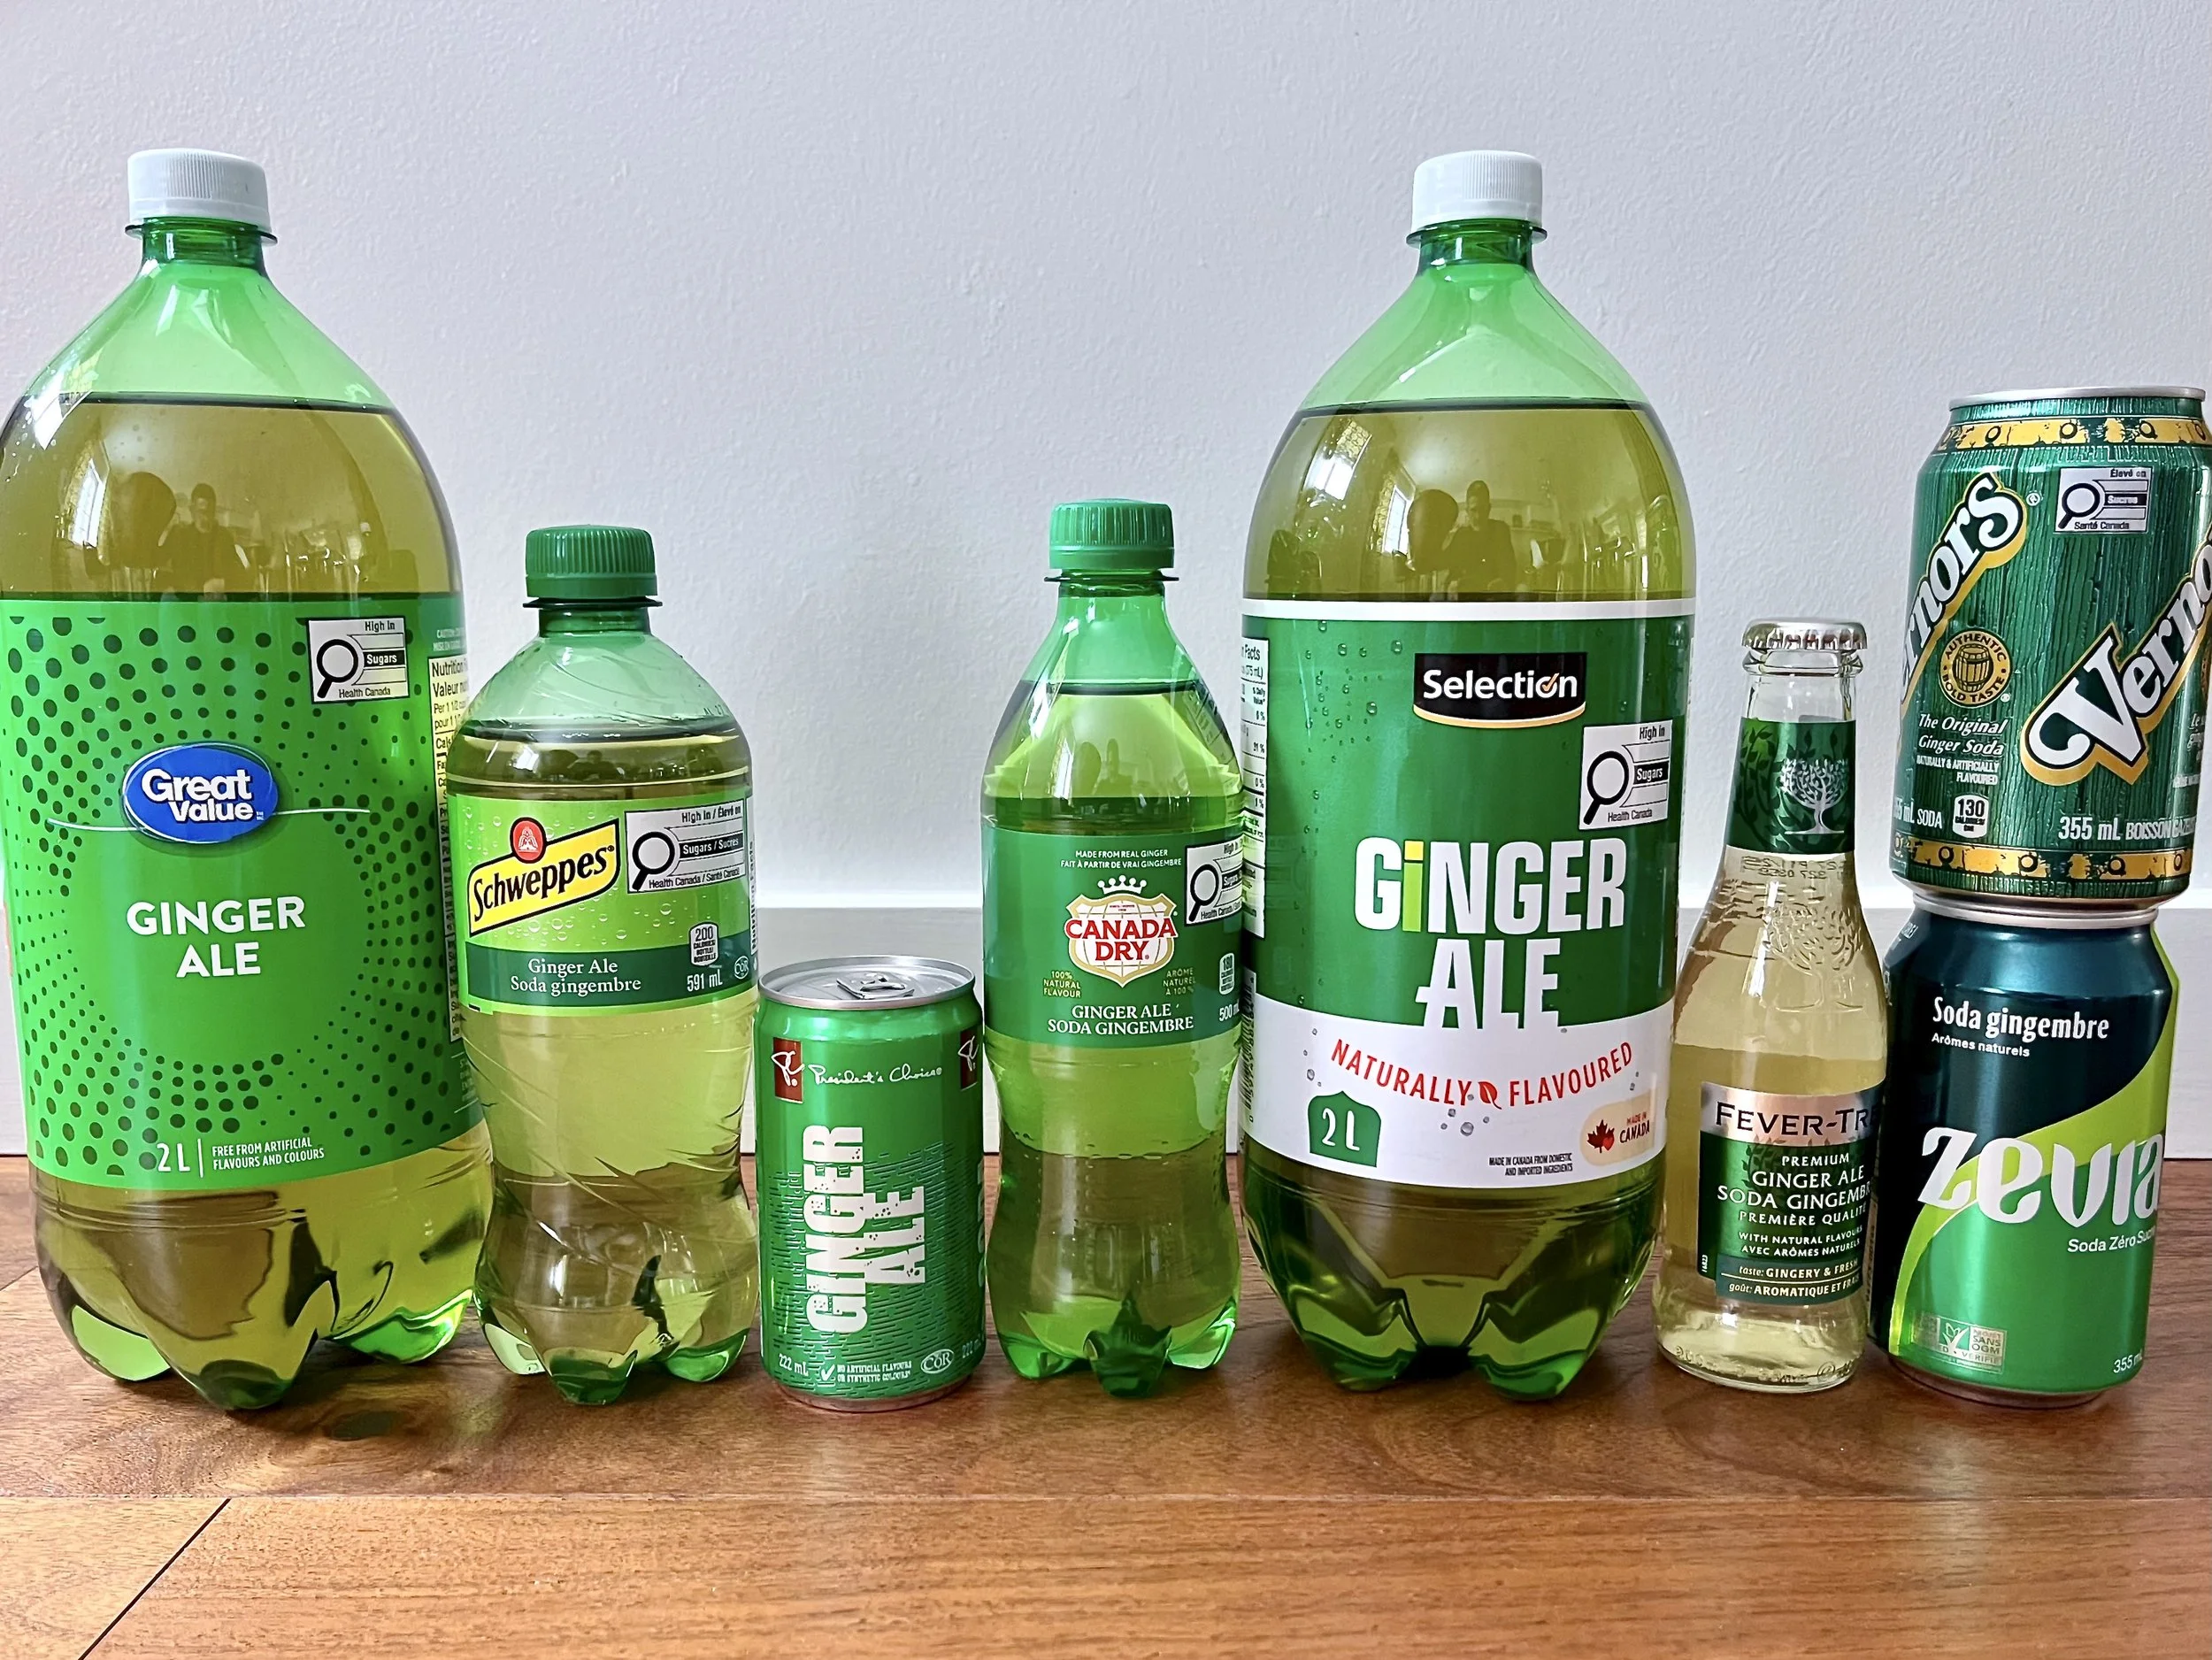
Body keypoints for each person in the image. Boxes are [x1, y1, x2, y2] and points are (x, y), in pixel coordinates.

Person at [158, 483, 251, 588]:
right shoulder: (179, 536)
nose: (206, 518)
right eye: (202, 512)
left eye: (210, 512)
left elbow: (240, 577)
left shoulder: (224, 537)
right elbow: (161, 572)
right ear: (192, 510)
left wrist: (223, 583)